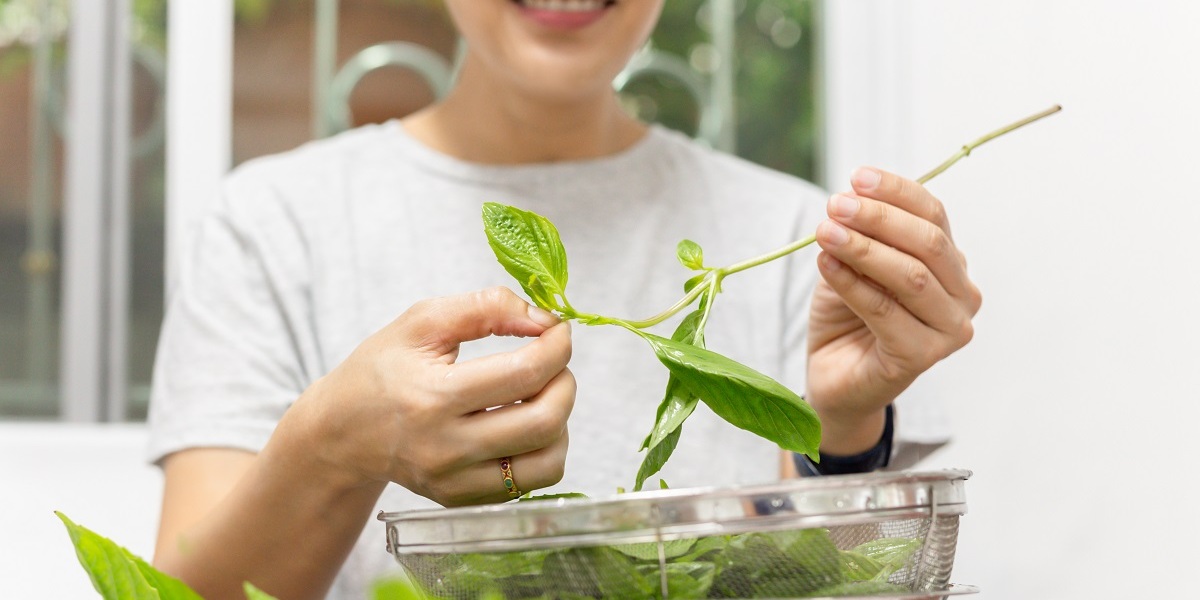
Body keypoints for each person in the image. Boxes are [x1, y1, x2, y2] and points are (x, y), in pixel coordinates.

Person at [148, 1, 981, 598]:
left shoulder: (802, 238)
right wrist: (333, 447)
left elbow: (861, 580)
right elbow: (180, 593)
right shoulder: (271, 224)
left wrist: (836, 432)